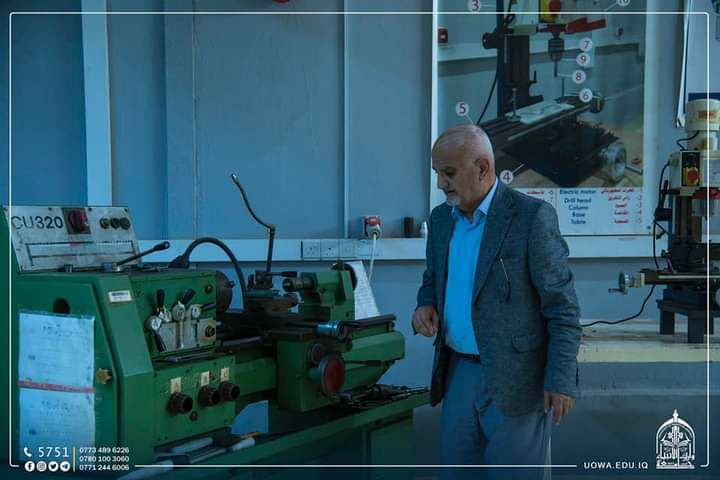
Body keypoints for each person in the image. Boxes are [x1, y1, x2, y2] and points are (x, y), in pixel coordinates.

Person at [412, 124, 581, 480]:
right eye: (437, 173)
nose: (441, 183)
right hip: (458, 372)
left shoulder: (531, 218)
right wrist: (425, 305)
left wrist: (561, 378)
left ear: (483, 167)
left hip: (517, 379)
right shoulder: (441, 220)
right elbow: (432, 278)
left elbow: (562, 308)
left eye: (449, 172)